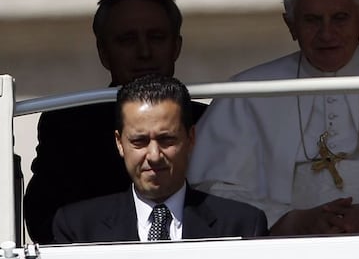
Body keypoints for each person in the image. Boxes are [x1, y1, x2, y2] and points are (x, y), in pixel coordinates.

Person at [187, 0, 359, 235]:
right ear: (291, 25)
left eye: (340, 18)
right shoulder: (247, 91)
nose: (327, 33)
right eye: (312, 20)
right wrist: (285, 220)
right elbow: (211, 187)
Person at [24, 0, 207, 244]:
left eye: (156, 37)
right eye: (127, 40)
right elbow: (46, 221)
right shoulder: (67, 125)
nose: (144, 51)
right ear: (104, 52)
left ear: (176, 47)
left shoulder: (209, 119)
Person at [52, 75, 268, 243]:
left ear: (191, 138)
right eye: (139, 141)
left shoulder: (241, 225)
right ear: (120, 143)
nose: (154, 155)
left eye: (166, 139)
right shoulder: (79, 228)